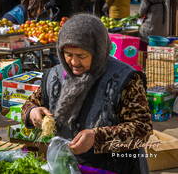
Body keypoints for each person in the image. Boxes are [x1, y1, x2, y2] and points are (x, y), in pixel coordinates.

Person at [22, 14, 152, 174]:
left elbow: (142, 130)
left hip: (113, 168)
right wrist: (32, 112)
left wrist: (97, 138)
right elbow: (30, 104)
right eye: (68, 55)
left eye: (81, 56)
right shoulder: (54, 76)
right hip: (66, 167)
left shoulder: (124, 79)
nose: (74, 62)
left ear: (98, 51)